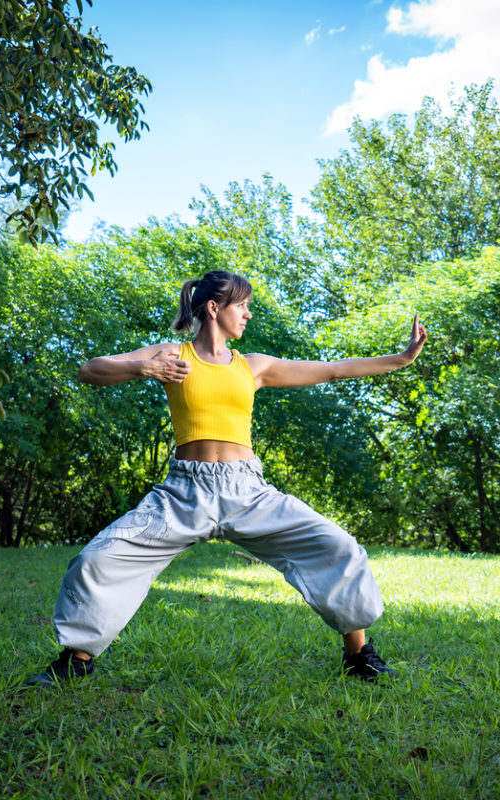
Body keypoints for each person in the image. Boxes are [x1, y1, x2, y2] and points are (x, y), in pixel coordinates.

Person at [25, 270, 427, 687]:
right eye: (243, 306)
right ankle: (77, 660)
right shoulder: (173, 355)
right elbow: (90, 370)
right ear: (215, 308)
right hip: (183, 494)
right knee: (97, 559)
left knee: (337, 546)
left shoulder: (253, 366)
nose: (249, 314)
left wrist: (401, 359)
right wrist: (146, 367)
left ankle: (358, 655)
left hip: (248, 492)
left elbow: (332, 371)